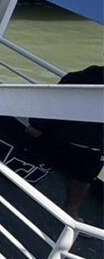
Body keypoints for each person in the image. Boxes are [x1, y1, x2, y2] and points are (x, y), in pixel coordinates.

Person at [23, 65, 104, 219]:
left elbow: (54, 101)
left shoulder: (79, 77)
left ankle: (71, 212)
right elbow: (55, 101)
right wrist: (38, 124)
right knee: (80, 177)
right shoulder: (82, 77)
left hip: (89, 142)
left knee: (83, 178)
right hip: (71, 136)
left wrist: (37, 124)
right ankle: (70, 211)